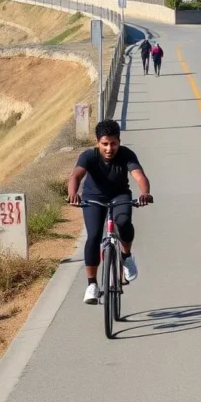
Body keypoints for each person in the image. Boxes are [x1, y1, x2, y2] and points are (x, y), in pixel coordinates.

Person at [68, 120, 152, 304]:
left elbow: (139, 176)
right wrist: (73, 194)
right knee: (94, 236)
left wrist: (145, 193)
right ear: (97, 142)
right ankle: (92, 284)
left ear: (119, 141)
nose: (109, 148)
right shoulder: (88, 156)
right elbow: (76, 175)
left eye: (113, 143)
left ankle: (126, 256)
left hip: (120, 196)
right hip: (93, 198)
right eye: (104, 144)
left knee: (123, 222)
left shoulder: (127, 154)